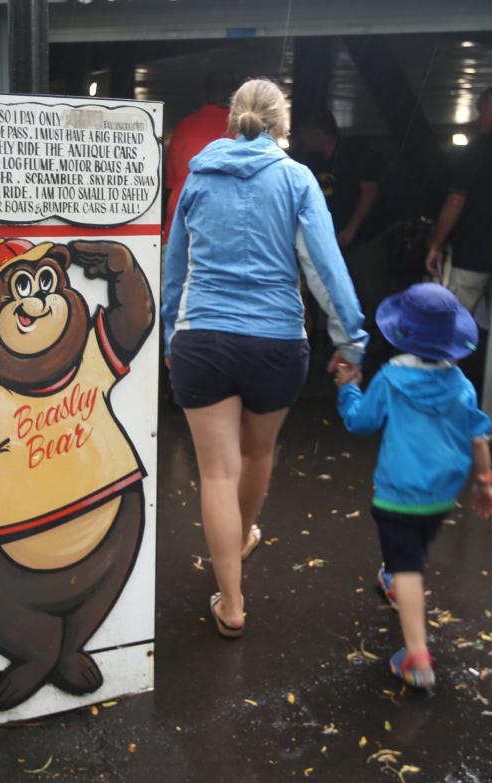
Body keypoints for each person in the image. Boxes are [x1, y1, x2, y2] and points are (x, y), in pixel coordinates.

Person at [162, 79, 368, 638]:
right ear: (283, 129)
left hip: (202, 339)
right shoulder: (297, 179)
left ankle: (231, 603)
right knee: (256, 459)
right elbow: (327, 271)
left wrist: (167, 338)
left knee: (216, 472)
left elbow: (173, 268)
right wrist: (351, 342)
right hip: (276, 342)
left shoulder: (197, 177)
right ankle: (242, 535)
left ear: (231, 123)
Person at [334, 283, 492, 688]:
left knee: (409, 566)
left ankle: (416, 656)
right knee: (412, 548)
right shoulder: (461, 383)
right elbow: (478, 436)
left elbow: (361, 421)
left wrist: (347, 389)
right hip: (441, 496)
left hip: (398, 494)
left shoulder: (391, 377)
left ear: (403, 332)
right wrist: (484, 482)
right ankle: (392, 578)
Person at [425, 85, 492, 315]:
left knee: (451, 318)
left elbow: (456, 200)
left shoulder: (480, 148)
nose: (478, 120)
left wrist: (436, 243)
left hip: (472, 251)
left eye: (482, 112)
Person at [298, 109, 387, 332]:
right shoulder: (314, 160)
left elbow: (369, 191)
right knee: (332, 289)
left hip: (364, 237)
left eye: (306, 134)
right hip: (332, 239)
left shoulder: (355, 154)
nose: (303, 139)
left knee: (367, 289)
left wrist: (351, 229)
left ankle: (373, 339)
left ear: (318, 133)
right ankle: (331, 338)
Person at [163, 72, 237, 243]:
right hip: (221, 219)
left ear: (205, 94)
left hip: (180, 212)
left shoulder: (184, 125)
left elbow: (170, 182)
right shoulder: (239, 129)